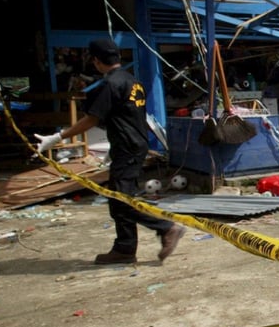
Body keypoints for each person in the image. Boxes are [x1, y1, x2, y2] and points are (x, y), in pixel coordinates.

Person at [35, 39, 184, 265]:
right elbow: (127, 116)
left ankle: (167, 228)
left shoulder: (110, 84)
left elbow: (91, 119)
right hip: (133, 145)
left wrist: (57, 137)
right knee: (118, 198)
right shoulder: (133, 82)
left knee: (122, 200)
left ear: (95, 61)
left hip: (127, 148)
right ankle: (124, 249)